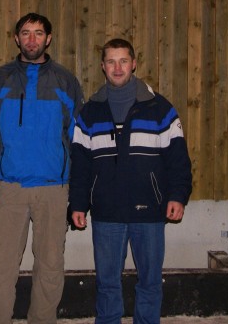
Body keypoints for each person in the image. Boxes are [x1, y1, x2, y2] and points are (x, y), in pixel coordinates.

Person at [69, 38, 192, 324]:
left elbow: (178, 160)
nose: (117, 67)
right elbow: (80, 166)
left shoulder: (160, 109)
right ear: (103, 66)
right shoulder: (89, 113)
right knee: (107, 285)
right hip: (106, 213)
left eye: (123, 61)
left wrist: (177, 196)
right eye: (111, 62)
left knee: (150, 283)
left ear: (134, 64)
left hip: (149, 211)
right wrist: (78, 204)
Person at [0, 12, 84, 324]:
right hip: (9, 188)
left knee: (50, 267)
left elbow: (77, 139)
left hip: (54, 189)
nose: (32, 39)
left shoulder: (66, 81)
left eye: (38, 33)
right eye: (25, 33)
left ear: (48, 39)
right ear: (16, 38)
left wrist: (77, 189)